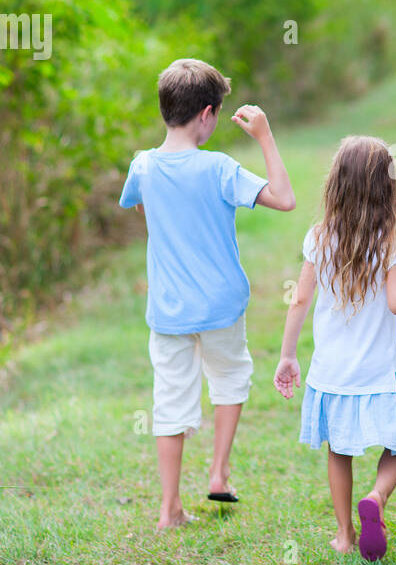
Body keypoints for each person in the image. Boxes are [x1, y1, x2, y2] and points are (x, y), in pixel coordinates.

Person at [119, 58, 296, 530]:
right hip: (220, 305)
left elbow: (138, 203)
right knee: (231, 379)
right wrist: (264, 137)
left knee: (170, 403)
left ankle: (169, 509)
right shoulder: (219, 168)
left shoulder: (143, 166)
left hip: (169, 310)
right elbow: (285, 198)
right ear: (208, 114)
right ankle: (219, 471)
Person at [274, 136, 396, 561]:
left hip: (331, 373)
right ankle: (376, 498)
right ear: (387, 187)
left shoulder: (319, 237)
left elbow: (300, 300)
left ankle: (343, 535)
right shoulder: (395, 238)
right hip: (379, 372)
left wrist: (288, 355)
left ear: (336, 185)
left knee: (338, 451)